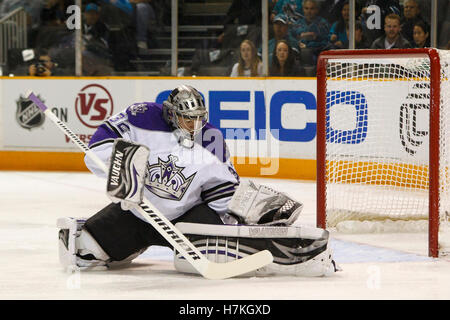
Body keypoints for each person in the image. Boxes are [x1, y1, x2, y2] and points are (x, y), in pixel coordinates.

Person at [56, 85, 339, 277]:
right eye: (186, 119)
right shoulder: (141, 117)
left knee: (209, 254)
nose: (193, 125)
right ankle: (133, 244)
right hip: (139, 215)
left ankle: (274, 227)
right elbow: (97, 149)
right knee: (84, 251)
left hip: (185, 220)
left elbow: (222, 193)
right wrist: (125, 174)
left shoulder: (211, 140)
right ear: (170, 113)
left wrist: (242, 222)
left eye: (198, 118)